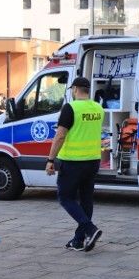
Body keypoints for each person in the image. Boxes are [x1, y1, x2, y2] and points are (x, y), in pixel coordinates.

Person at [45, 77, 105, 252]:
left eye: (72, 89)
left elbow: (60, 135)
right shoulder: (98, 108)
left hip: (73, 162)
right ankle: (79, 240)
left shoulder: (70, 108)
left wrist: (50, 159)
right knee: (86, 198)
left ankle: (90, 229)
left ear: (76, 89)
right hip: (93, 160)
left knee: (65, 197)